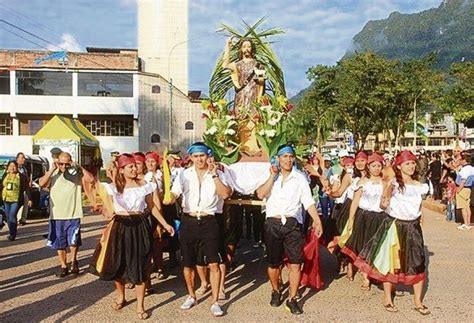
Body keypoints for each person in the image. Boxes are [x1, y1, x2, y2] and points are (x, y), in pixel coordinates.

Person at [90, 153, 174, 320]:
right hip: (120, 226)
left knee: (141, 265)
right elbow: (108, 210)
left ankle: (140, 305)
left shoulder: (146, 185)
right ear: (121, 170)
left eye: (136, 165)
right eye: (131, 167)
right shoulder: (113, 187)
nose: (135, 169)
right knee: (119, 263)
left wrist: (164, 224)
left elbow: (152, 208)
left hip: (140, 225)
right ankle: (121, 296)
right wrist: (101, 210)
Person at [354, 150, 431, 315]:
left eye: (412, 163)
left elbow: (419, 207)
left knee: (417, 262)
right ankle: (387, 298)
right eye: (407, 164)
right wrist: (384, 202)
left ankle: (418, 301)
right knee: (391, 262)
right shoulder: (394, 184)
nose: (410, 166)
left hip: (412, 227)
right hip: (394, 226)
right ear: (399, 166)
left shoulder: (420, 186)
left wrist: (421, 219)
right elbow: (384, 204)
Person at [165, 142, 232, 317]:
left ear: (208, 155)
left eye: (202, 155)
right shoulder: (184, 175)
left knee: (213, 263)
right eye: (195, 156)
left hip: (210, 221)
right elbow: (174, 194)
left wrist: (214, 175)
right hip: (189, 221)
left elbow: (225, 194)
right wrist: (168, 197)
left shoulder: (219, 174)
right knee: (188, 262)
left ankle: (215, 301)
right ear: (191, 158)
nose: (199, 159)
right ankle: (191, 295)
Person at [256, 144, 323, 315]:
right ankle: (276, 290)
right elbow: (260, 194)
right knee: (273, 263)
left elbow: (308, 201)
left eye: (290, 156)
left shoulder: (300, 178)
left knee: (295, 263)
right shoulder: (271, 176)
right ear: (278, 158)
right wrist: (272, 176)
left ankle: (292, 298)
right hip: (273, 223)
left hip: (293, 224)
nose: (288, 160)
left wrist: (317, 220)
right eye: (284, 156)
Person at [39, 152, 94, 277]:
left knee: (74, 241)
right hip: (57, 214)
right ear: (57, 162)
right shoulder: (53, 173)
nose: (63, 166)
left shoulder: (76, 173)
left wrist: (78, 167)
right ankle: (63, 265)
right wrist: (52, 168)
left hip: (73, 213)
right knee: (59, 242)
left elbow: (90, 179)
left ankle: (74, 261)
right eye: (61, 163)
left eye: (66, 164)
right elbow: (42, 184)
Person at [341, 152, 386, 287]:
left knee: (379, 247)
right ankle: (366, 276)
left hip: (381, 218)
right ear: (368, 167)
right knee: (365, 246)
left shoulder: (386, 183)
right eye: (373, 166)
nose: (376, 168)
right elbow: (355, 202)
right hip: (365, 218)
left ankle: (376, 273)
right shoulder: (362, 183)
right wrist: (351, 220)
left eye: (379, 166)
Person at [1, 161, 30, 241]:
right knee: (7, 217)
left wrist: (30, 199)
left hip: (16, 200)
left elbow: (26, 188)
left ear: (17, 167)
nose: (12, 168)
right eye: (10, 166)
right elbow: (2, 186)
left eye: (14, 166)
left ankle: (12, 235)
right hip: (6, 199)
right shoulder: (5, 175)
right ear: (8, 167)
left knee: (12, 216)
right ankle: (12, 231)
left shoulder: (21, 177)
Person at [455, 153, 474, 230]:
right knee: (467, 206)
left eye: (461, 159)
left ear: (464, 160)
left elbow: (463, 180)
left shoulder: (465, 169)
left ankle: (466, 223)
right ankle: (468, 223)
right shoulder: (471, 168)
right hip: (469, 188)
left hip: (463, 188)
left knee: (463, 207)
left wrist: (459, 189)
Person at [16, 152, 31, 226]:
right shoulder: (15, 168)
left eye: (24, 158)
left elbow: (26, 178)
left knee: (25, 204)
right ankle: (18, 219)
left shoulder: (24, 169)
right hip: (18, 190)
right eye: (22, 158)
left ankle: (23, 219)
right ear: (17, 159)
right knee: (19, 204)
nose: (24, 160)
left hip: (25, 189)